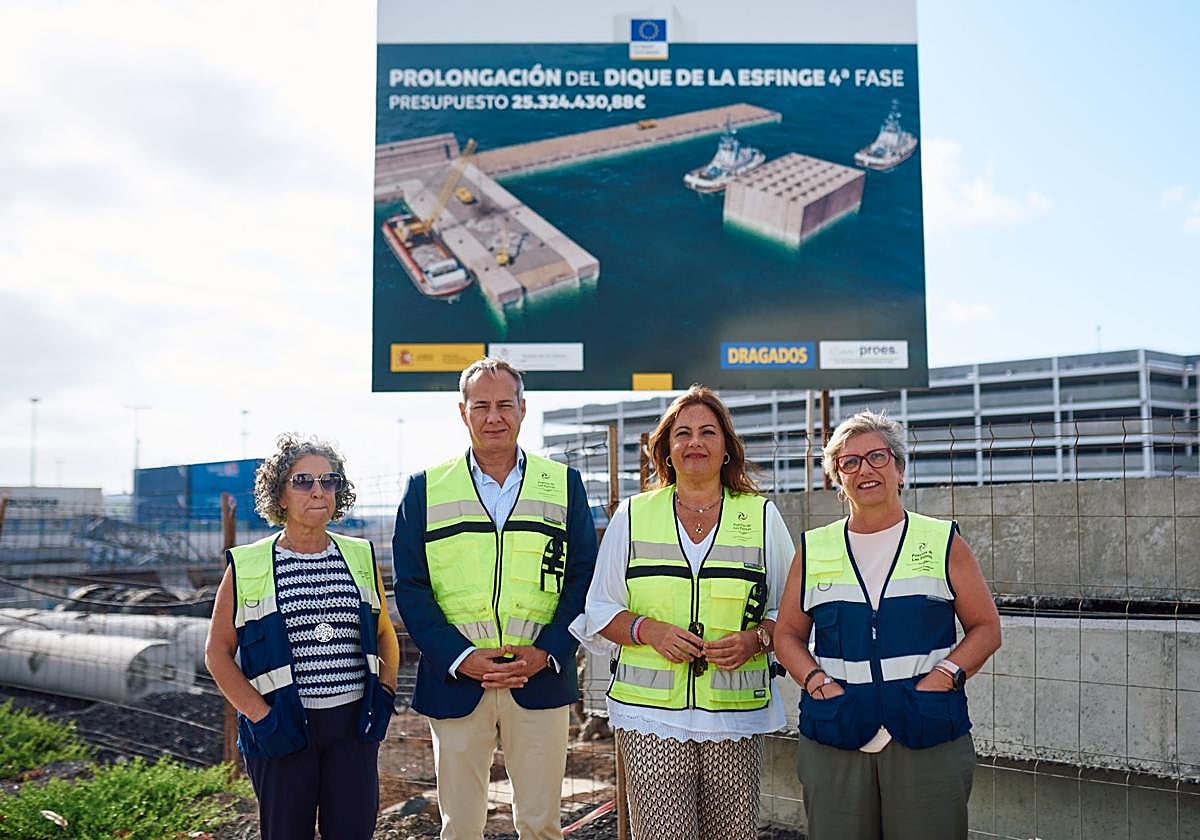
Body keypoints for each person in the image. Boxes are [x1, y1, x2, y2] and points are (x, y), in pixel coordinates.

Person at [570, 385, 795, 840]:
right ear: (666, 450)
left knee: (733, 834)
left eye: (708, 432)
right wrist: (647, 629)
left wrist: (757, 640)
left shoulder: (762, 515)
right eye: (683, 433)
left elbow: (790, 609)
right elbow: (598, 609)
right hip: (651, 717)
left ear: (727, 448)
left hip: (734, 713)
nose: (695, 442)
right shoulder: (632, 515)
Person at [392, 357, 598, 840]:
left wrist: (546, 650)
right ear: (462, 412)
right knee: (460, 826)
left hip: (540, 677)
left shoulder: (563, 485)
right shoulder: (426, 490)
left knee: (541, 825)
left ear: (523, 409)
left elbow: (583, 578)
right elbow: (411, 586)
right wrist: (460, 656)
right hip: (459, 680)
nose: (494, 416)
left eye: (505, 404)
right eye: (481, 405)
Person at [774, 410, 1002, 840]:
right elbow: (786, 635)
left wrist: (945, 675)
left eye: (877, 457)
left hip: (926, 730)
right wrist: (816, 681)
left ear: (899, 468)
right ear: (837, 478)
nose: (865, 470)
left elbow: (986, 627)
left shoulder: (941, 541)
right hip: (836, 730)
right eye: (849, 462)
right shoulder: (814, 548)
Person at [205, 434, 399, 840]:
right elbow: (218, 655)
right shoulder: (248, 565)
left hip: (352, 729)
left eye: (329, 481)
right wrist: (263, 718)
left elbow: (384, 634)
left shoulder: (360, 555)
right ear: (279, 495)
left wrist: (384, 695)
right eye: (303, 481)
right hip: (283, 729)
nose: (318, 491)